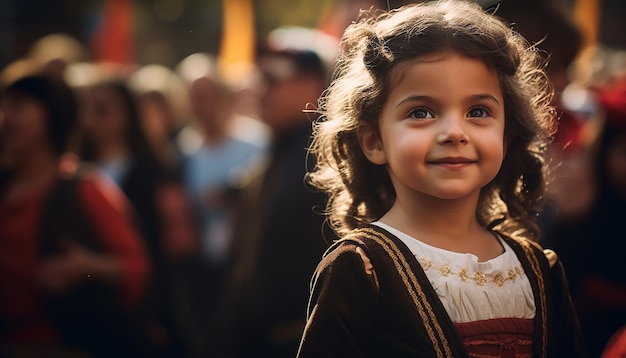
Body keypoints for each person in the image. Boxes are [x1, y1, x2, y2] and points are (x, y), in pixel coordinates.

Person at [297, 1, 586, 357]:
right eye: (421, 112)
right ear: (373, 140)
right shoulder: (361, 268)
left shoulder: (539, 271)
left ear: (507, 134)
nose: (454, 132)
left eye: (478, 111)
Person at [0, 75, 150, 357]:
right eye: (4, 105)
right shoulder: (5, 185)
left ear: (51, 115)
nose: (5, 117)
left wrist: (89, 268)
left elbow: (138, 268)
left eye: (18, 107)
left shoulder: (84, 187)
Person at [216, 47, 332, 357]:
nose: (259, 91)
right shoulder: (278, 151)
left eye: (271, 79)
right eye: (258, 79)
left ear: (311, 85)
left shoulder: (329, 159)